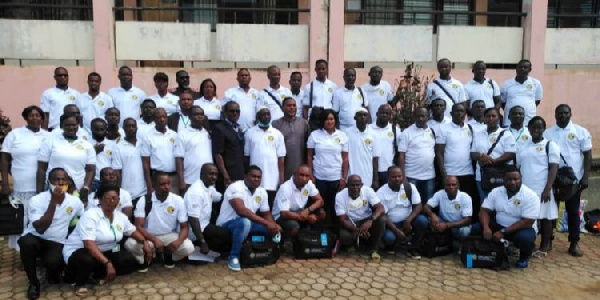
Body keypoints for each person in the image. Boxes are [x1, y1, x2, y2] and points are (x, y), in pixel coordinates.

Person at [63, 184, 149, 296]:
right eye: (108, 198)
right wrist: (108, 263)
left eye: (116, 198)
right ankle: (78, 282)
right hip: (81, 251)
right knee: (86, 260)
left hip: (106, 250)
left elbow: (132, 231)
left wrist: (145, 242)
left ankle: (95, 274)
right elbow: (88, 244)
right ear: (100, 199)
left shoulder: (120, 216)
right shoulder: (90, 215)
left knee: (128, 260)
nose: (112, 201)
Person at [19, 168, 84, 299]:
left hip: (56, 241)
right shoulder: (37, 200)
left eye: (63, 179)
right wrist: (53, 202)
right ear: (49, 181)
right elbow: (40, 228)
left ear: (68, 181)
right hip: (36, 237)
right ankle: (33, 283)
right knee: (26, 242)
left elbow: (84, 217)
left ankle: (51, 271)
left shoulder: (75, 201)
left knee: (54, 264)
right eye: (56, 179)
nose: (60, 182)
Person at [544, 104, 592, 257]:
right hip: (554, 178)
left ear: (571, 114)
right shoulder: (548, 133)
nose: (562, 115)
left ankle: (574, 242)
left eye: (565, 113)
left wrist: (585, 177)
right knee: (551, 211)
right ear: (555, 114)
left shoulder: (580, 132)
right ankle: (548, 239)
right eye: (559, 113)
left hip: (574, 180)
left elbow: (588, 155)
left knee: (573, 212)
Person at [1, 106, 49, 251]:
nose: (34, 118)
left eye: (37, 115)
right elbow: (4, 159)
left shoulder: (47, 136)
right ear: (26, 118)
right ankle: (23, 253)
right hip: (21, 185)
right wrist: (4, 183)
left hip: (42, 186)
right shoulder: (15, 135)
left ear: (42, 118)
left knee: (39, 219)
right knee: (22, 219)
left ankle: (37, 253)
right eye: (31, 115)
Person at [216, 166, 281, 271]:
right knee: (245, 223)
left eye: (259, 177)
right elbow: (241, 210)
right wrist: (266, 223)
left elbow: (266, 213)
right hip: (227, 224)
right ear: (245, 176)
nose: (256, 179)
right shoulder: (235, 187)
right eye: (253, 176)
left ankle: (268, 250)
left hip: (248, 224)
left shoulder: (262, 192)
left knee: (272, 228)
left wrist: (273, 226)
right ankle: (233, 257)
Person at [473, 167, 540, 268]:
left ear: (521, 178)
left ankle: (524, 257)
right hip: (499, 225)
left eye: (516, 179)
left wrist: (503, 232)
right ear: (503, 180)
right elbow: (484, 210)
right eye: (509, 179)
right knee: (475, 228)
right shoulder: (496, 192)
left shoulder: (530, 195)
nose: (513, 182)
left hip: (521, 228)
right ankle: (481, 251)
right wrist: (486, 228)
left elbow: (528, 221)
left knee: (525, 239)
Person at [125, 172, 194, 269]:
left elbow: (184, 227)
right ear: (154, 185)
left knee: (188, 247)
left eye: (168, 183)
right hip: (148, 236)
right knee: (130, 244)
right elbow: (138, 226)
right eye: (162, 184)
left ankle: (167, 256)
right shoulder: (144, 200)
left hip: (170, 235)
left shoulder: (178, 200)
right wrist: (154, 239)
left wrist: (178, 241)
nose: (166, 187)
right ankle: (150, 255)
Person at [517, 116, 559, 253]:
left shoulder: (550, 145)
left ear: (543, 129)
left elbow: (553, 168)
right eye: (533, 127)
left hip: (542, 187)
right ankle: (530, 243)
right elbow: (519, 167)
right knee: (528, 216)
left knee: (545, 216)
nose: (536, 130)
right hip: (525, 188)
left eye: (539, 127)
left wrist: (547, 188)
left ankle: (545, 244)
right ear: (528, 129)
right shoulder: (523, 146)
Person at [37, 113, 95, 204]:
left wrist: (86, 187)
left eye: (74, 125)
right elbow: (41, 168)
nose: (71, 127)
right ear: (61, 126)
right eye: (67, 125)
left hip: (77, 191)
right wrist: (39, 192)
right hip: (53, 190)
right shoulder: (50, 142)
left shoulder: (87, 145)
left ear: (78, 125)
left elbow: (90, 170)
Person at [307, 109, 349, 224]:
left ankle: (335, 236)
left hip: (336, 178)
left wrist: (344, 178)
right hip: (319, 178)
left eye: (331, 119)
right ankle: (321, 233)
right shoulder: (315, 135)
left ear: (335, 120)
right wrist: (311, 175)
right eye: (326, 119)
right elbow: (309, 156)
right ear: (322, 121)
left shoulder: (342, 135)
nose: (329, 122)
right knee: (321, 208)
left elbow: (345, 159)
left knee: (335, 208)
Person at [435, 103, 478, 212]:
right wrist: (443, 173)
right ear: (451, 113)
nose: (459, 113)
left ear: (465, 114)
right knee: (448, 204)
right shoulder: (443, 128)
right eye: (456, 111)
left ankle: (465, 226)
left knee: (466, 203)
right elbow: (439, 152)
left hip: (467, 173)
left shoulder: (470, 128)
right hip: (450, 173)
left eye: (462, 111)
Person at [377, 166, 428, 259]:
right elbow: (382, 215)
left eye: (400, 176)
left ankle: (413, 247)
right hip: (392, 224)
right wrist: (396, 230)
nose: (397, 179)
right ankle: (391, 245)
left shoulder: (410, 187)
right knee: (389, 238)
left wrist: (408, 221)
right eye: (394, 177)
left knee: (422, 221)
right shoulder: (381, 192)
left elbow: (418, 205)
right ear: (388, 177)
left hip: (408, 221)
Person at [336, 174, 386, 262]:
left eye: (357, 185)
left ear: (361, 185)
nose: (355, 187)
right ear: (347, 185)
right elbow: (342, 219)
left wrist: (371, 220)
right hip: (352, 222)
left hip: (367, 219)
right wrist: (358, 230)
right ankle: (350, 246)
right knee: (344, 236)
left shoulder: (368, 190)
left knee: (382, 220)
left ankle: (374, 249)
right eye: (352, 185)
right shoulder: (340, 196)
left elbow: (381, 208)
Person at [470, 108, 516, 202]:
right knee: (485, 204)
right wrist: (482, 156)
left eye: (493, 116)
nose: (491, 118)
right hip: (482, 176)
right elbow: (473, 153)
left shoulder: (506, 134)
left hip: (500, 175)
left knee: (500, 204)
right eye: (488, 116)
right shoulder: (478, 134)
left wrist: (494, 161)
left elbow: (510, 154)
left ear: (498, 118)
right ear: (484, 118)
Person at [184, 163, 231, 254]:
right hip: (195, 230)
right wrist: (203, 242)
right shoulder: (196, 192)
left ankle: (200, 250)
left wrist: (230, 190)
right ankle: (198, 244)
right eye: (211, 174)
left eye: (216, 174)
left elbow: (219, 198)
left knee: (220, 243)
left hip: (204, 225)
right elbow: (193, 220)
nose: (214, 177)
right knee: (226, 234)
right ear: (202, 175)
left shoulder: (209, 187)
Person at [244, 107, 286, 206]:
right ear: (258, 116)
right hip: (254, 179)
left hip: (272, 179)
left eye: (268, 114)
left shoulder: (277, 134)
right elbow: (246, 157)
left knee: (270, 205)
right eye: (263, 114)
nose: (266, 116)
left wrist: (281, 179)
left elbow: (281, 159)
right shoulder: (249, 133)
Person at [272, 165, 326, 238]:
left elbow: (320, 200)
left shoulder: (309, 184)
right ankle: (286, 241)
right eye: (301, 175)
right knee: (295, 226)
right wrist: (306, 217)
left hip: (300, 211)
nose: (304, 178)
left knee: (322, 213)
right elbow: (284, 214)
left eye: (307, 176)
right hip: (281, 215)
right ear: (294, 174)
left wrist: (308, 210)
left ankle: (314, 241)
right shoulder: (285, 188)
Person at [140, 108, 184, 195]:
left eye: (164, 117)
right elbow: (146, 162)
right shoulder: (148, 137)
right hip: (157, 178)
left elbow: (179, 159)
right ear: (154, 119)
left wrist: (181, 180)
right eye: (158, 117)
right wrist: (149, 185)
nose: (162, 119)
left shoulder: (174, 135)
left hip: (173, 177)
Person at [397, 107, 436, 202]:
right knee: (412, 203)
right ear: (414, 117)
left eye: (423, 116)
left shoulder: (431, 131)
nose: (421, 119)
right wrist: (403, 176)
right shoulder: (407, 133)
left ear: (428, 117)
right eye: (418, 116)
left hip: (429, 176)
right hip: (411, 176)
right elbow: (401, 155)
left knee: (428, 204)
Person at [272, 97, 310, 180]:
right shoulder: (275, 125)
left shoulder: (304, 123)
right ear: (282, 108)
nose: (292, 108)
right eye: (289, 105)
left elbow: (308, 147)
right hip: (281, 166)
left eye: (294, 105)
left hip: (299, 163)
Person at [212, 101, 245, 193]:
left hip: (239, 172)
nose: (235, 113)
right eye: (232, 111)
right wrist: (225, 175)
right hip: (228, 174)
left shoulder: (239, 128)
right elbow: (218, 154)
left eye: (237, 111)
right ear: (225, 113)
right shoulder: (219, 128)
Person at [112, 118, 146, 206]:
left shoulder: (143, 144)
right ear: (123, 128)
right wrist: (118, 192)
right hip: (126, 192)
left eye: (133, 126)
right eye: (128, 126)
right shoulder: (118, 146)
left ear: (137, 128)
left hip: (143, 192)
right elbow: (117, 172)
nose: (130, 128)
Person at [178, 106, 213, 190]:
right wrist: (181, 181)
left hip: (208, 180)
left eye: (201, 114)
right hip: (190, 180)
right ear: (189, 117)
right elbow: (179, 159)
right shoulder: (182, 134)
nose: (199, 116)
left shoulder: (207, 133)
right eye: (196, 114)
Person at [501, 60, 543, 126]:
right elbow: (503, 102)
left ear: (530, 70)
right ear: (516, 69)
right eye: (520, 67)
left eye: (525, 67)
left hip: (528, 121)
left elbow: (537, 101)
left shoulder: (536, 83)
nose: (522, 69)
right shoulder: (507, 84)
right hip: (509, 121)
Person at [346, 108, 378, 188]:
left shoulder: (373, 134)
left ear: (368, 118)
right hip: (351, 175)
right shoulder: (347, 133)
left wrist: (375, 179)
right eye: (360, 115)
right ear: (355, 118)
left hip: (368, 176)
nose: (362, 117)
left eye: (365, 115)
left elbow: (375, 158)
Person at [370, 104, 395, 186]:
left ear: (390, 116)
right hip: (371, 170)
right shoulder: (368, 129)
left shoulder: (394, 130)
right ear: (377, 114)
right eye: (382, 113)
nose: (384, 115)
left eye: (387, 113)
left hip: (388, 170)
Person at [89, 118, 116, 192]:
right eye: (97, 129)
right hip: (92, 181)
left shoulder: (112, 145)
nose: (99, 132)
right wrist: (94, 152)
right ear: (91, 129)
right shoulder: (86, 143)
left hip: (109, 181)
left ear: (106, 129)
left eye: (102, 129)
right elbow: (81, 162)